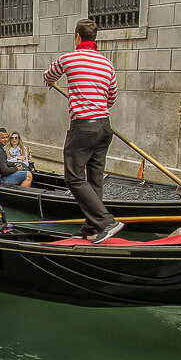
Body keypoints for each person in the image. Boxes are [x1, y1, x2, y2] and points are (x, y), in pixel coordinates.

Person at [43, 18, 122, 243]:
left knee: (74, 177)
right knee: (94, 179)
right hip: (104, 127)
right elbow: (111, 98)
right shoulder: (107, 64)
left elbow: (48, 75)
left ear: (77, 36)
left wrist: (52, 81)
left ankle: (106, 222)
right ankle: (91, 227)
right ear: (94, 38)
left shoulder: (69, 58)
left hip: (83, 127)